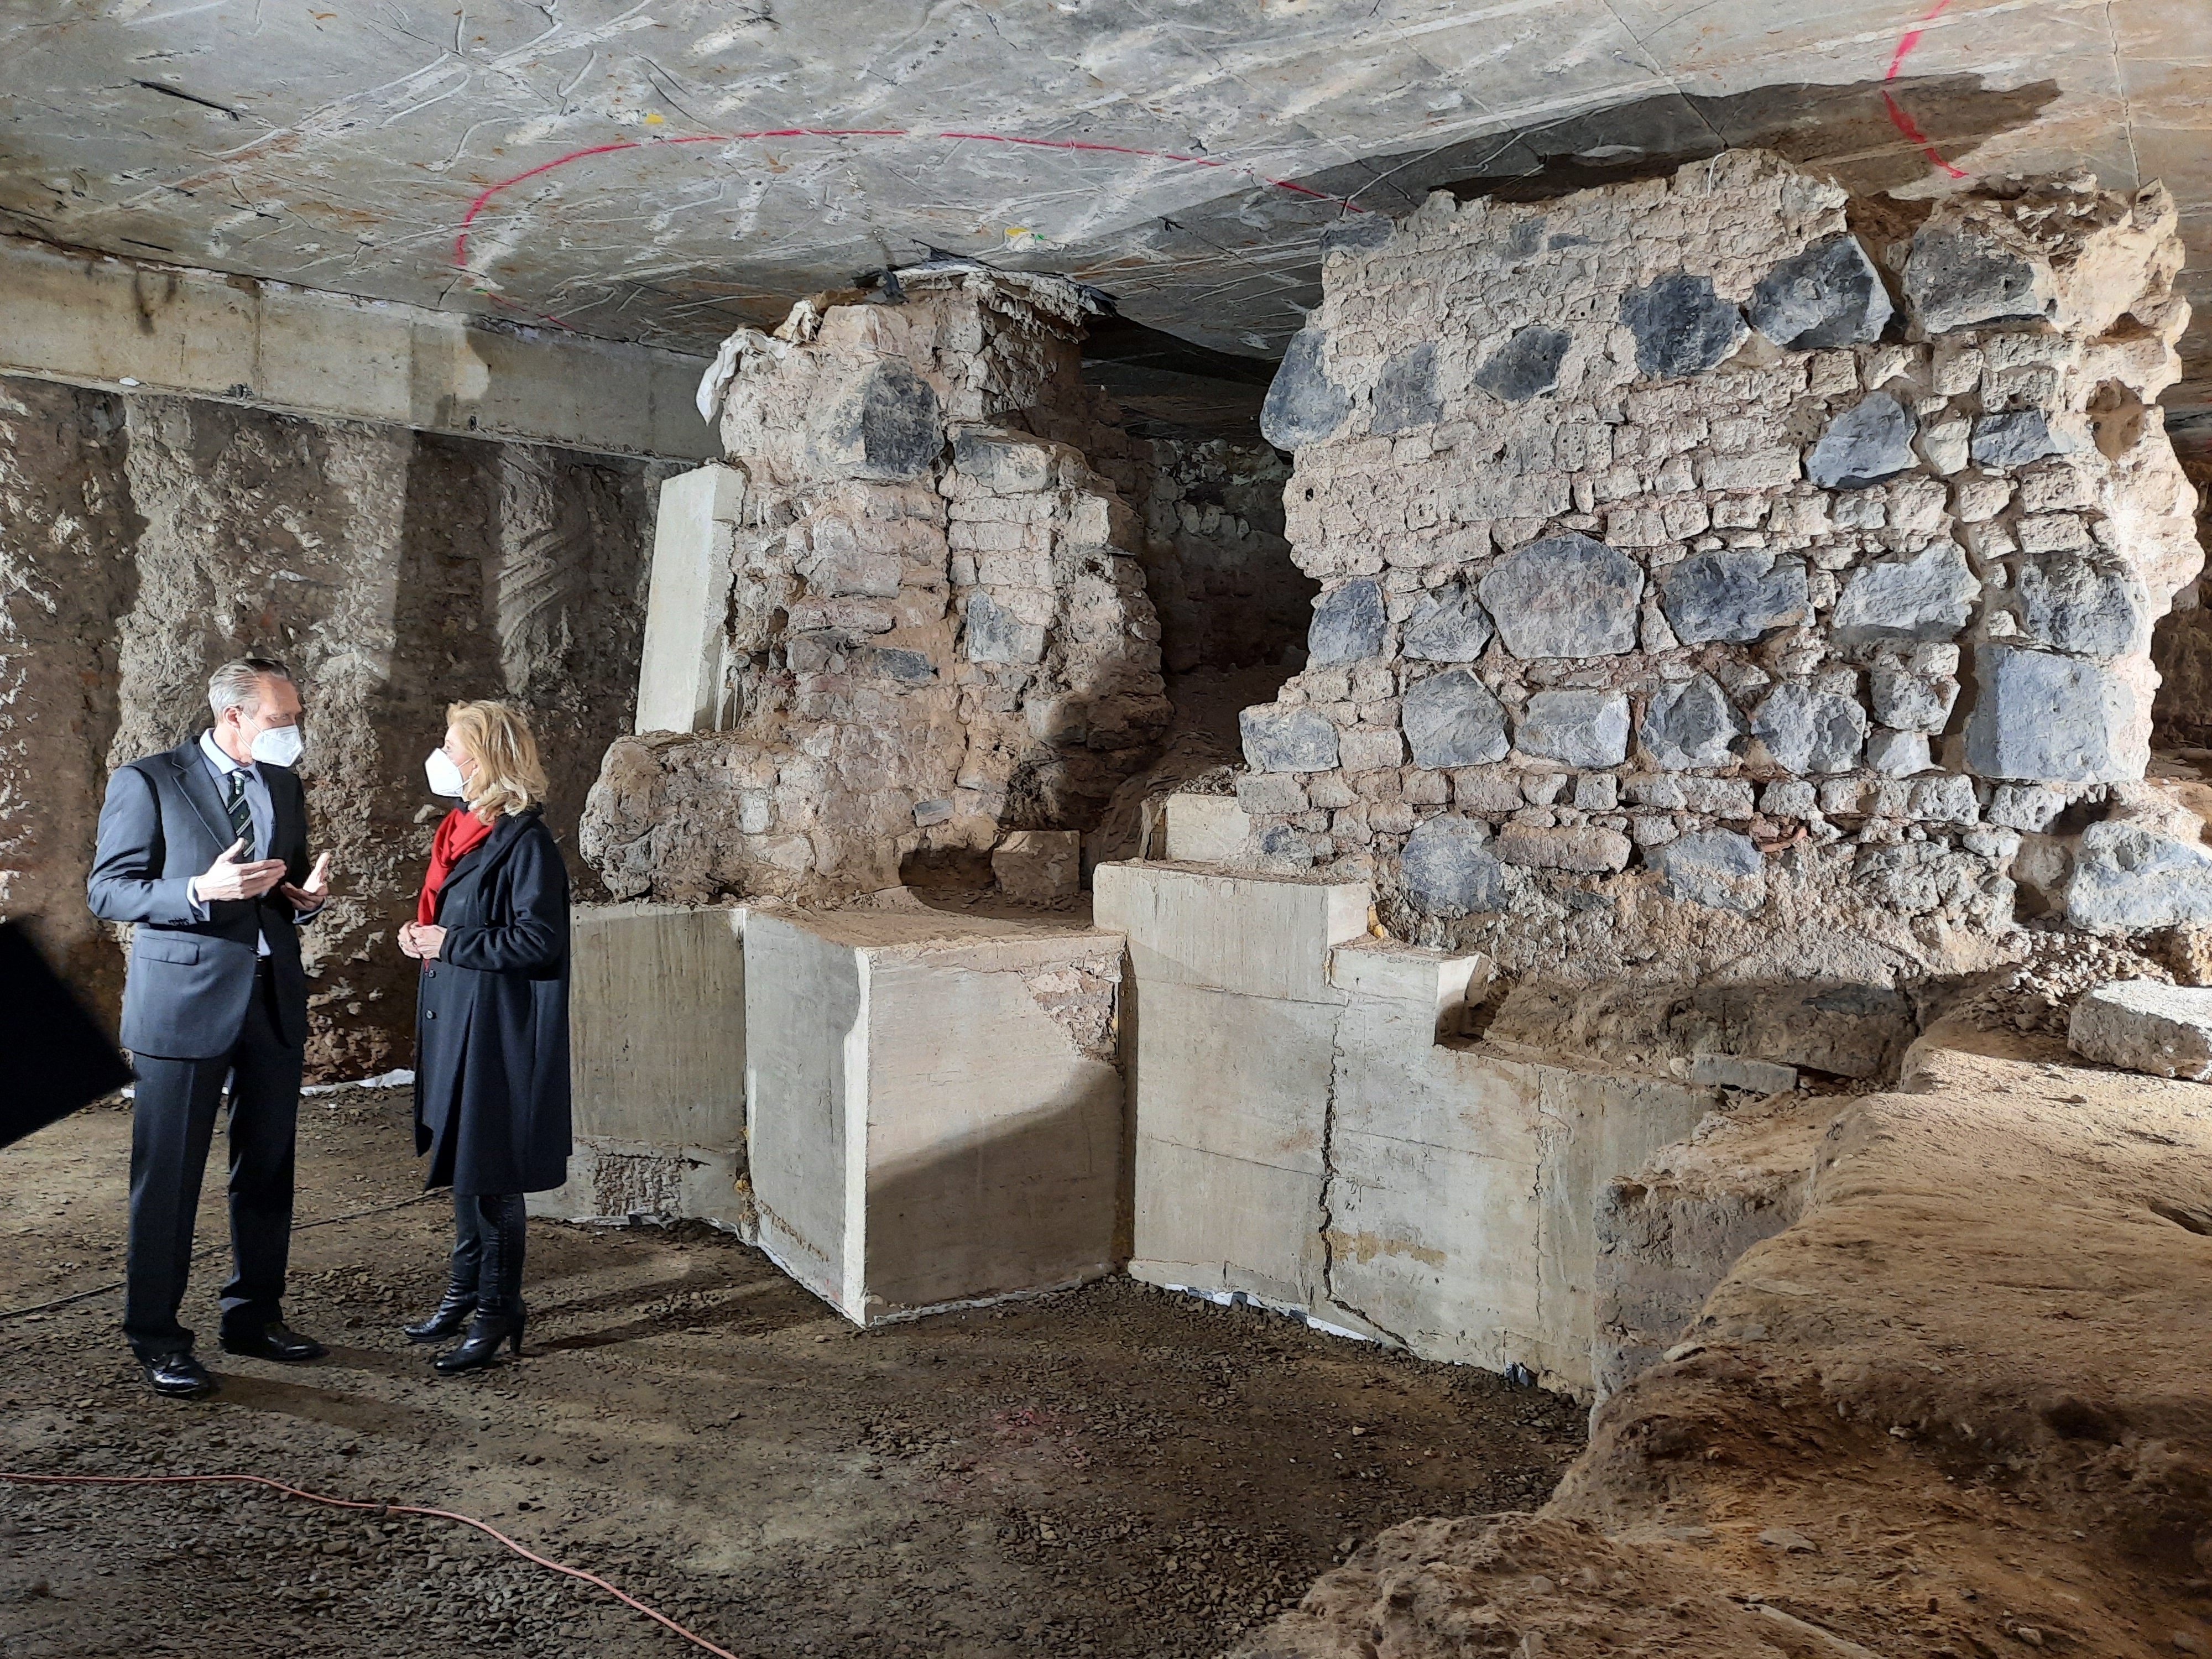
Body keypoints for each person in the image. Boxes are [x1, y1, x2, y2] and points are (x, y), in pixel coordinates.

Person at [86, 657, 333, 1398]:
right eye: (281, 719)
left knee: (266, 1170)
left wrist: (306, 902)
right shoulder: (148, 781)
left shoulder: (284, 785)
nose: (294, 732)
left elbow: (277, 898)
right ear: (233, 716)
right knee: (167, 1179)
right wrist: (197, 888)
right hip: (182, 1004)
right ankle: (156, 1336)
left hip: (270, 999)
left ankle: (252, 1316)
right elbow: (108, 889)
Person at [397, 701, 571, 1374]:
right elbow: (448, 918)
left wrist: (452, 941)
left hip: (497, 1028)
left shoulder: (523, 840)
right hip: (456, 1019)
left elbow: (539, 938)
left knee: (492, 1175)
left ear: (487, 758)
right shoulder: (459, 829)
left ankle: (499, 1310)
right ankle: (464, 1294)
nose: (442, 758)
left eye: (452, 746)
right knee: (467, 1172)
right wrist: (422, 937)